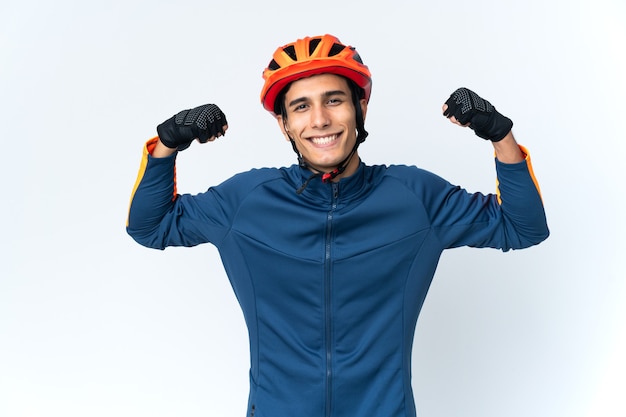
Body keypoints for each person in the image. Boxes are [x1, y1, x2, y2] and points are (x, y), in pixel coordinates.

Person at [126, 34, 549, 417]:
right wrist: (167, 143)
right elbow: (151, 226)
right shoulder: (246, 202)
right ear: (285, 124)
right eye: (301, 106)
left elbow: (521, 226)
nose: (320, 120)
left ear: (359, 108)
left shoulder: (414, 198)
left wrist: (500, 134)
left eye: (334, 100)